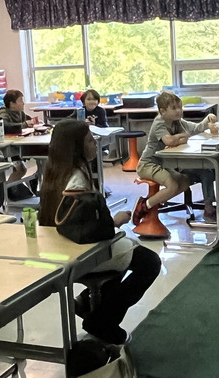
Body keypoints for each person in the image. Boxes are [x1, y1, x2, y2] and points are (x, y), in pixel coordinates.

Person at [39, 120, 161, 345]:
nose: (95, 144)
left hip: (59, 245)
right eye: (89, 140)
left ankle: (88, 301)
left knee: (124, 258)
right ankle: (102, 321)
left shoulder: (54, 171)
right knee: (149, 262)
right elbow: (90, 231)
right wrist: (115, 221)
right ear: (76, 147)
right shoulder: (76, 180)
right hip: (80, 250)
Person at [132, 91, 219, 223]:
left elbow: (196, 128)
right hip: (149, 164)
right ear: (162, 111)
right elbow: (169, 141)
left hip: (168, 164)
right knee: (174, 185)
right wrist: (182, 137)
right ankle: (145, 204)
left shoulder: (177, 122)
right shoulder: (159, 123)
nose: (179, 111)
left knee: (191, 180)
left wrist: (207, 119)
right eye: (174, 108)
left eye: (180, 107)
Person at [0, 89, 39, 198]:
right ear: (12, 103)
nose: (23, 103)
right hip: (7, 148)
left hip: (18, 145)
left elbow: (28, 120)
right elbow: (6, 127)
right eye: (20, 100)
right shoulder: (2, 113)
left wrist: (35, 123)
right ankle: (6, 193)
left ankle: (10, 190)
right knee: (20, 169)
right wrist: (25, 124)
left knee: (23, 169)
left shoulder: (19, 112)